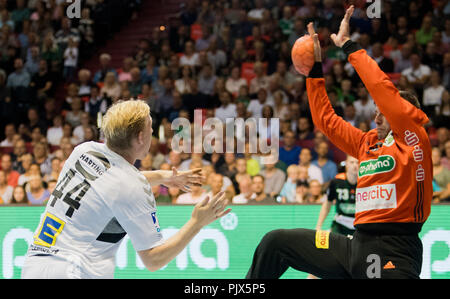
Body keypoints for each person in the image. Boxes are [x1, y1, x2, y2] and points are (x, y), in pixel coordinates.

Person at [246, 7, 432, 279]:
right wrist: (315, 70)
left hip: (394, 250)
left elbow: (382, 89)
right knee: (276, 243)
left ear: (403, 115)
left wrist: (348, 45)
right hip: (354, 245)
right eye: (376, 111)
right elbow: (325, 120)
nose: (377, 115)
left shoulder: (413, 138)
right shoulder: (367, 143)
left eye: (384, 112)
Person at [22, 100, 230, 279]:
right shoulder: (132, 186)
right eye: (150, 126)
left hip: (33, 266)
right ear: (140, 137)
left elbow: (109, 184)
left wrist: (163, 176)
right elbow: (154, 259)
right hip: (73, 271)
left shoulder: (84, 150)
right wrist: (197, 222)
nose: (152, 131)